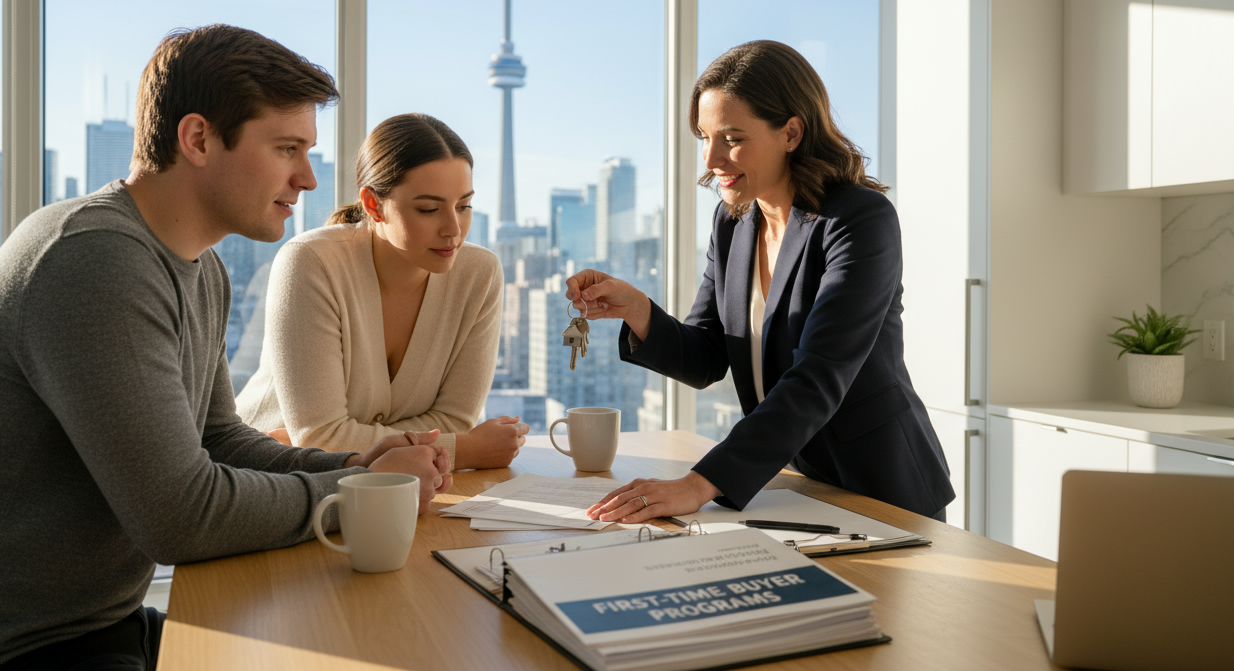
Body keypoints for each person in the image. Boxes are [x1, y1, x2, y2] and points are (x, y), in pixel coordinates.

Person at [0, 25, 452, 671]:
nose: (309, 178)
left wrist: (352, 464)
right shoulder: (93, 260)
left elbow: (215, 436)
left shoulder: (200, 268)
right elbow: (181, 515)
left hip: (94, 622)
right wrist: (357, 491)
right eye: (287, 148)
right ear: (198, 139)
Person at [571, 40, 955, 524]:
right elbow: (708, 357)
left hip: (882, 489)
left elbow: (819, 376)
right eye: (704, 137)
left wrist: (696, 485)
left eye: (732, 138)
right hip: (796, 483)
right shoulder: (733, 224)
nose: (712, 158)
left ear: (791, 132)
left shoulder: (859, 220)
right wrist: (637, 309)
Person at [235, 113, 527, 469]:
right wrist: (465, 450)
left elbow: (454, 422)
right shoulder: (310, 262)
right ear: (373, 205)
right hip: (271, 479)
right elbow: (320, 439)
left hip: (399, 484)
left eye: (464, 206)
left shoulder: (479, 274)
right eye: (429, 209)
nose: (454, 229)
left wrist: (343, 439)